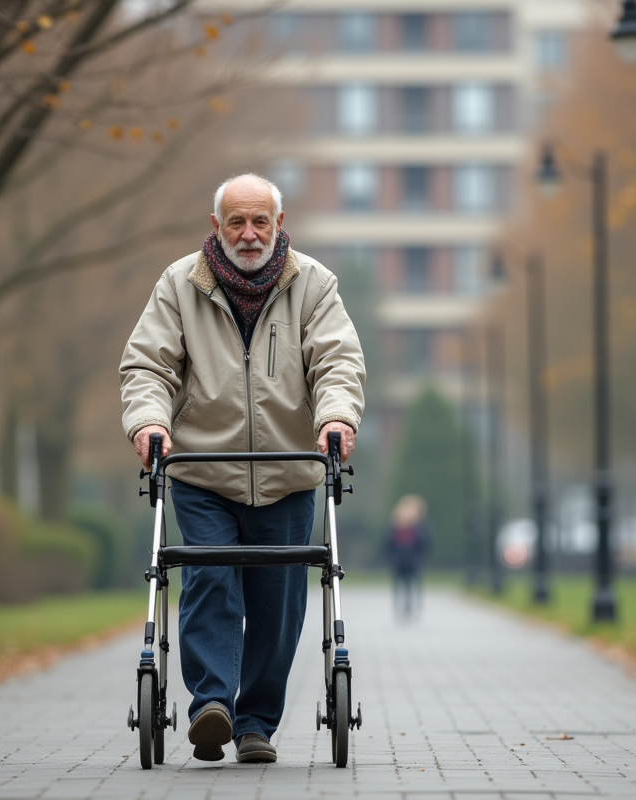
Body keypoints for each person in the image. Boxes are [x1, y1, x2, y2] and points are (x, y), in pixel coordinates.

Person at [119, 174, 365, 764]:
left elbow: (337, 360)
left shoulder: (314, 285)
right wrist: (149, 423)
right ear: (217, 227)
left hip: (286, 471)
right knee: (210, 581)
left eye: (260, 222)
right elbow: (148, 366)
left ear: (279, 225)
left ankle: (256, 722)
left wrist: (336, 417)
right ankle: (214, 705)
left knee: (279, 603)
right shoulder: (179, 285)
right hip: (205, 471)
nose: (249, 234)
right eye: (236, 222)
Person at [386, 494, 431, 619]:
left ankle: (411, 605)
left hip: (413, 560)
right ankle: (399, 606)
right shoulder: (395, 525)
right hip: (398, 559)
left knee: (413, 583)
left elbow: (425, 542)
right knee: (399, 583)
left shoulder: (419, 526)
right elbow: (389, 542)